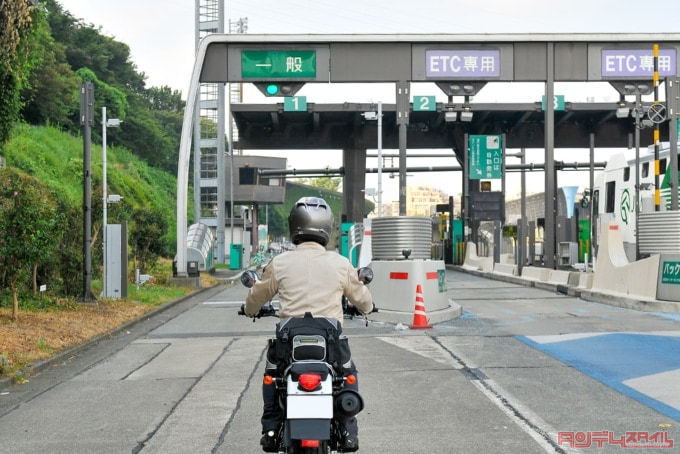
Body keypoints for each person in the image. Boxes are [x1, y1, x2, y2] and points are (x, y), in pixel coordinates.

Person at [244, 196, 373, 453]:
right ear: (328, 227)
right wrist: (363, 307)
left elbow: (256, 298)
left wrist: (250, 310)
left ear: (295, 226)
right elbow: (364, 302)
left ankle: (271, 430)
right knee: (347, 375)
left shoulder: (279, 263)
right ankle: (348, 431)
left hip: (287, 344)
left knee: (272, 376)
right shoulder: (340, 263)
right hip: (331, 343)